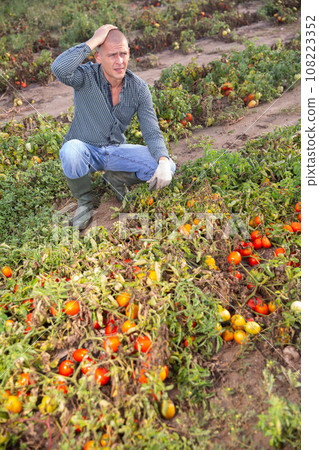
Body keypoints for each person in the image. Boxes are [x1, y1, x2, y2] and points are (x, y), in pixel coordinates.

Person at [51, 24, 176, 231]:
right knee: (70, 150)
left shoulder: (139, 88)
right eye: (112, 55)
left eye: (123, 54)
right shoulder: (85, 77)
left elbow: (151, 131)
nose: (120, 61)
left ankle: (116, 177)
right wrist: (94, 40)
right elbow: (60, 68)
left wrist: (162, 160)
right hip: (86, 152)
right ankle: (85, 201)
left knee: (168, 166)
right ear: (98, 57)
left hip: (116, 151)